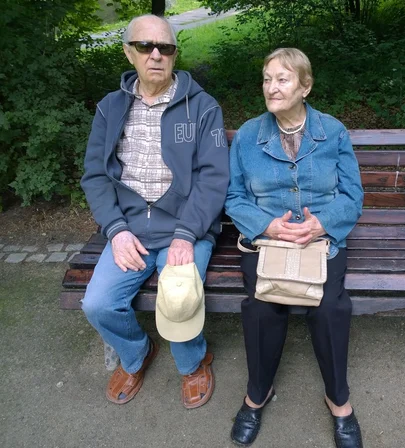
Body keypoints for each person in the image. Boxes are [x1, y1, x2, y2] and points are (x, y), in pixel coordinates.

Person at [80, 14, 229, 408]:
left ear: (175, 55)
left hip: (184, 227)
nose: (157, 54)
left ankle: (192, 363)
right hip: (128, 227)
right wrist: (115, 228)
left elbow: (214, 178)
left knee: (178, 296)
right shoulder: (110, 108)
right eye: (146, 46)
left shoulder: (203, 107)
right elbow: (95, 175)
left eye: (166, 47)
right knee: (96, 303)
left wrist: (186, 233)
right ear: (130, 53)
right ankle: (136, 354)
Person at [225, 48, 364, 447]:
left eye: (282, 79)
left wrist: (322, 223)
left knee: (331, 307)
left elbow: (353, 195)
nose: (272, 87)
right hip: (268, 242)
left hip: (320, 242)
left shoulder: (332, 131)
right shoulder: (249, 135)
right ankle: (257, 395)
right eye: (267, 79)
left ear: (305, 86)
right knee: (261, 305)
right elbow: (234, 198)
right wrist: (268, 225)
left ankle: (339, 400)